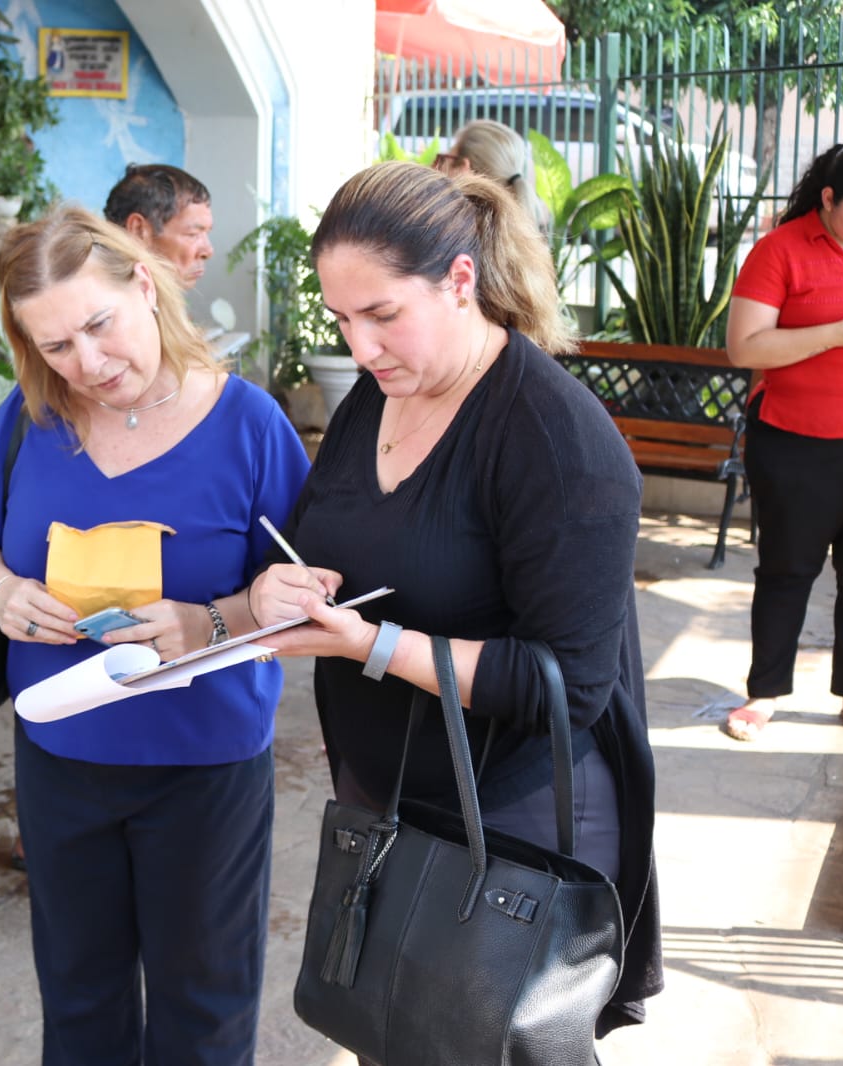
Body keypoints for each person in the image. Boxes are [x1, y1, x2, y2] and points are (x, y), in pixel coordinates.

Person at [251, 161, 662, 1043]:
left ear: (460, 279)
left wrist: (366, 644)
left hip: (510, 805)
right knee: (392, 1031)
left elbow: (568, 685)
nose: (360, 348)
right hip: (385, 786)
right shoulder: (375, 396)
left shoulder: (554, 439)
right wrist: (273, 585)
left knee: (479, 1041)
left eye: (383, 315)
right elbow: (321, 539)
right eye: (342, 320)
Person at [0, 204, 309, 1064]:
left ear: (145, 282)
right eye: (56, 347)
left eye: (98, 327)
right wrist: (0, 591)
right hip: (61, 753)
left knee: (202, 1007)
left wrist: (213, 619)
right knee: (78, 999)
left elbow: (307, 588)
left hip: (203, 766)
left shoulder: (248, 424)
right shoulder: (32, 419)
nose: (88, 364)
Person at [721, 143, 843, 741]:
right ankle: (765, 692)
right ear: (828, 199)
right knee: (787, 570)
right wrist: (839, 333)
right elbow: (746, 348)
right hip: (796, 441)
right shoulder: (780, 250)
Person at [103, 163, 215, 289]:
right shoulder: (102, 302)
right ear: (138, 230)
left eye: (207, 233)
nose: (208, 251)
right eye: (193, 234)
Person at [434, 118, 553, 236]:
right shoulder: (516, 238)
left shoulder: (452, 235)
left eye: (444, 158)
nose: (435, 166)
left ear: (465, 169)